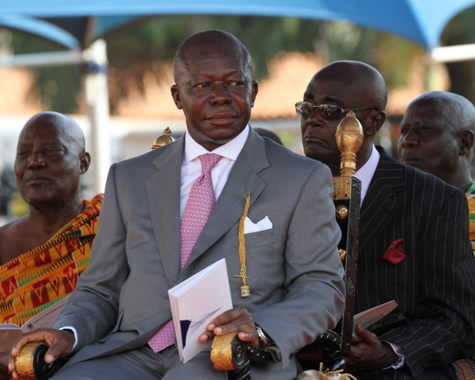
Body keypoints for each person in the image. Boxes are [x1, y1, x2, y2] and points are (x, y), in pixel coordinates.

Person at [10, 30, 346, 380]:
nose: (220, 98)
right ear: (177, 96)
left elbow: (322, 287)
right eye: (202, 86)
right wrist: (69, 332)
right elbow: (100, 288)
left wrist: (259, 329)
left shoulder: (300, 177)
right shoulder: (129, 178)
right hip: (132, 352)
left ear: (253, 91)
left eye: (234, 83)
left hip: (234, 357)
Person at [297, 60, 475, 379]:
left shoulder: (433, 199)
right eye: (307, 107)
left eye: (330, 109)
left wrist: (388, 352)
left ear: (373, 120)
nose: (313, 120)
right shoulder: (278, 188)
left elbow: (456, 319)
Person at [0, 111, 103, 379]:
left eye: (52, 151)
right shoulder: (2, 243)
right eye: (23, 154)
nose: (35, 162)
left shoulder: (107, 227)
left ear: (83, 163)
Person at [397, 91, 475, 257]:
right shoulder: (387, 209)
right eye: (404, 130)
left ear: (464, 142)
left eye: (425, 128)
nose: (407, 140)